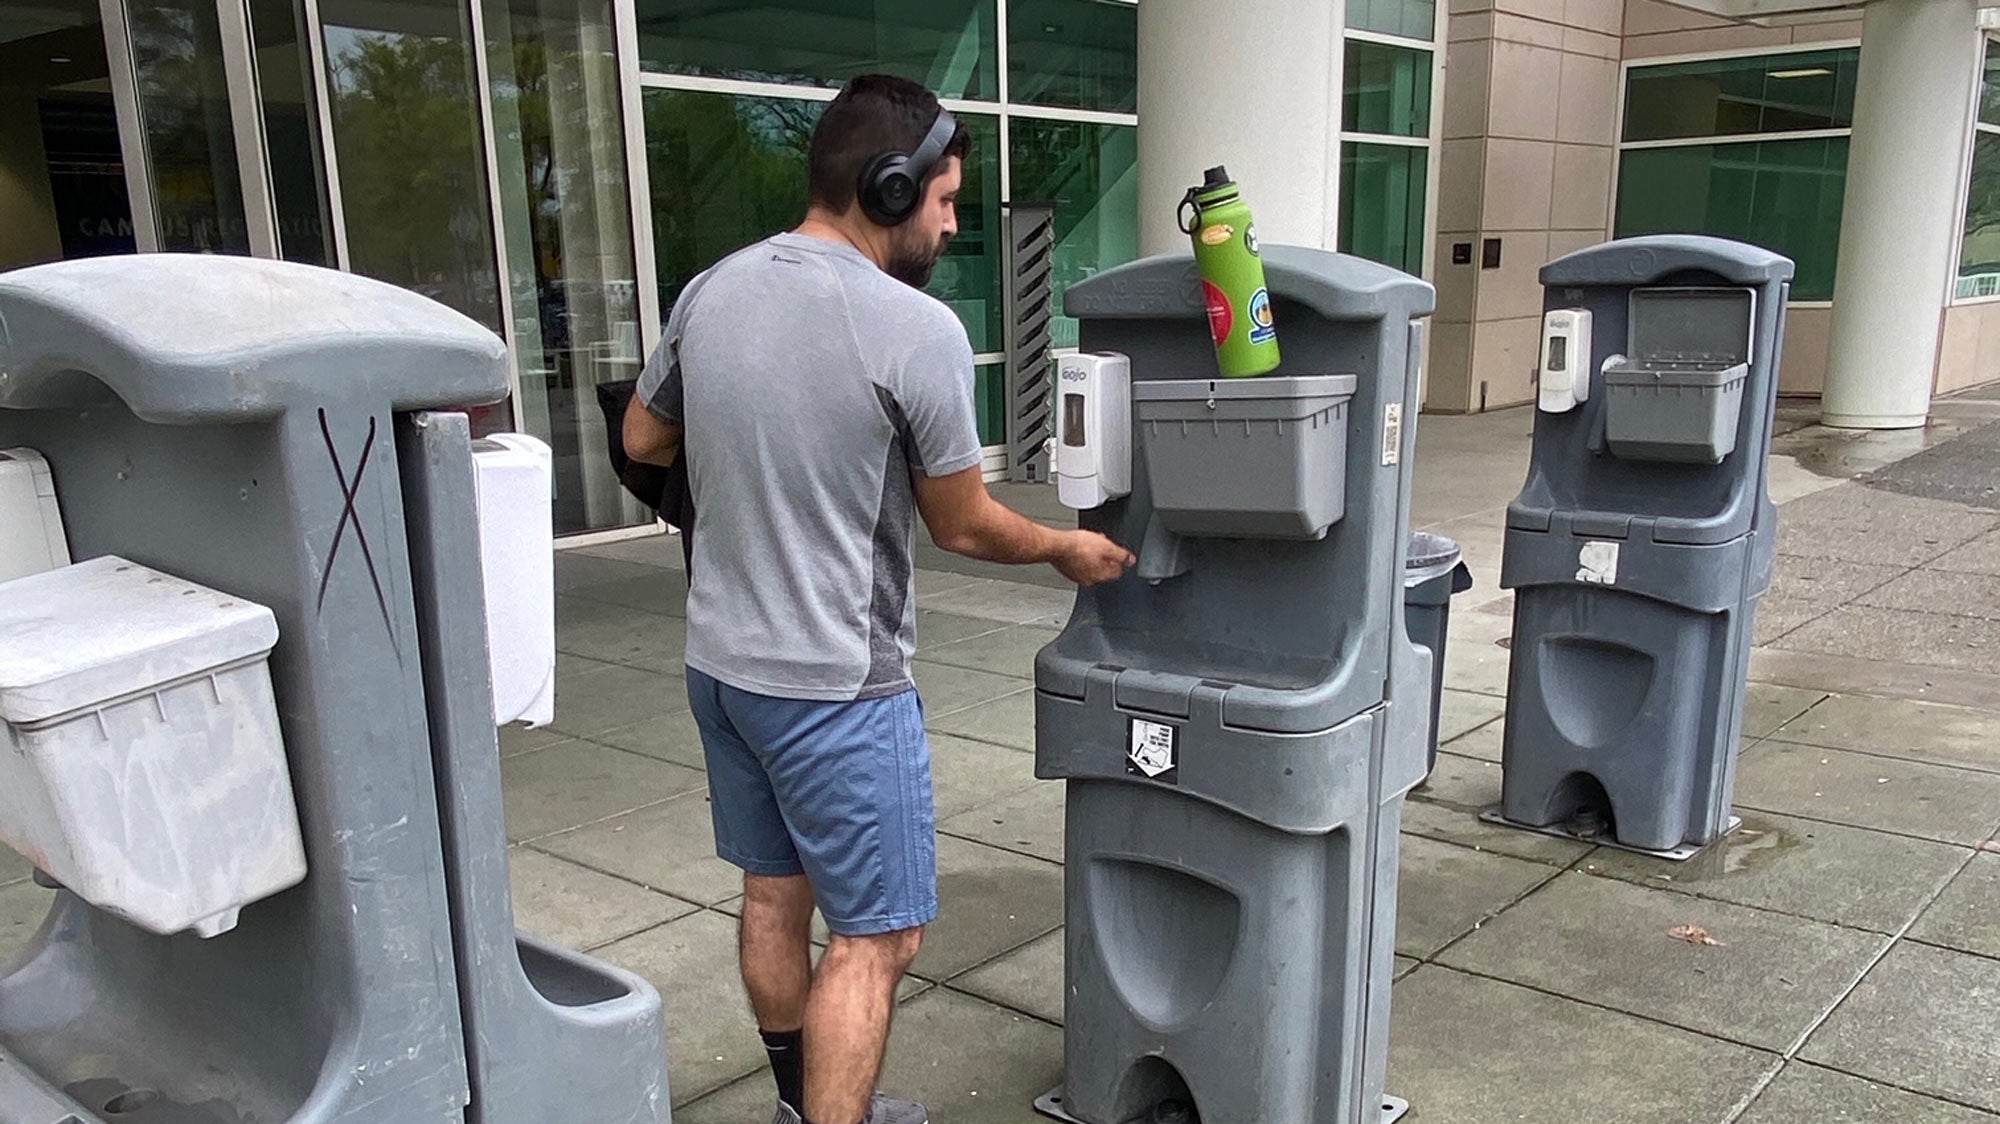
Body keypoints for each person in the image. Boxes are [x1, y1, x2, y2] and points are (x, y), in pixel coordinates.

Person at [621, 74, 1134, 1124]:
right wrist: (1062, 547)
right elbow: (962, 521)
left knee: (773, 894)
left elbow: (640, 438)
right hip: (837, 691)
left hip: (720, 668)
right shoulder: (913, 328)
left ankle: (800, 1104)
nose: (949, 224)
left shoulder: (710, 290)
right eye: (942, 200)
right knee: (878, 935)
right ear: (889, 188)